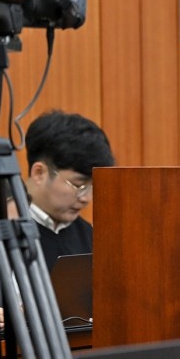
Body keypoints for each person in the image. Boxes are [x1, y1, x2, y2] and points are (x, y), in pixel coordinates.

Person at [23, 110, 115, 270]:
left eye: (92, 186)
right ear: (39, 173)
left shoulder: (91, 238)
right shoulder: (3, 237)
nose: (86, 198)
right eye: (78, 185)